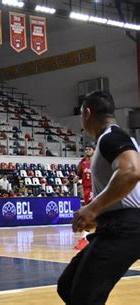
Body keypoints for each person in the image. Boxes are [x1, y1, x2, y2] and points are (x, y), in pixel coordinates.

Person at [57, 91, 140, 305]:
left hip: (125, 228)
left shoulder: (111, 136)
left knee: (85, 298)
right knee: (68, 285)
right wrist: (100, 212)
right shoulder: (113, 137)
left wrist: (93, 208)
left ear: (87, 113)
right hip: (117, 225)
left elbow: (130, 171)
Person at [74, 144, 95, 250]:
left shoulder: (97, 161)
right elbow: (78, 174)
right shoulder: (82, 162)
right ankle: (86, 237)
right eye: (86, 149)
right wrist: (76, 178)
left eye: (89, 149)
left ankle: (85, 237)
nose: (87, 151)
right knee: (90, 211)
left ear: (94, 151)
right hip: (86, 189)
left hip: (94, 188)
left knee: (91, 212)